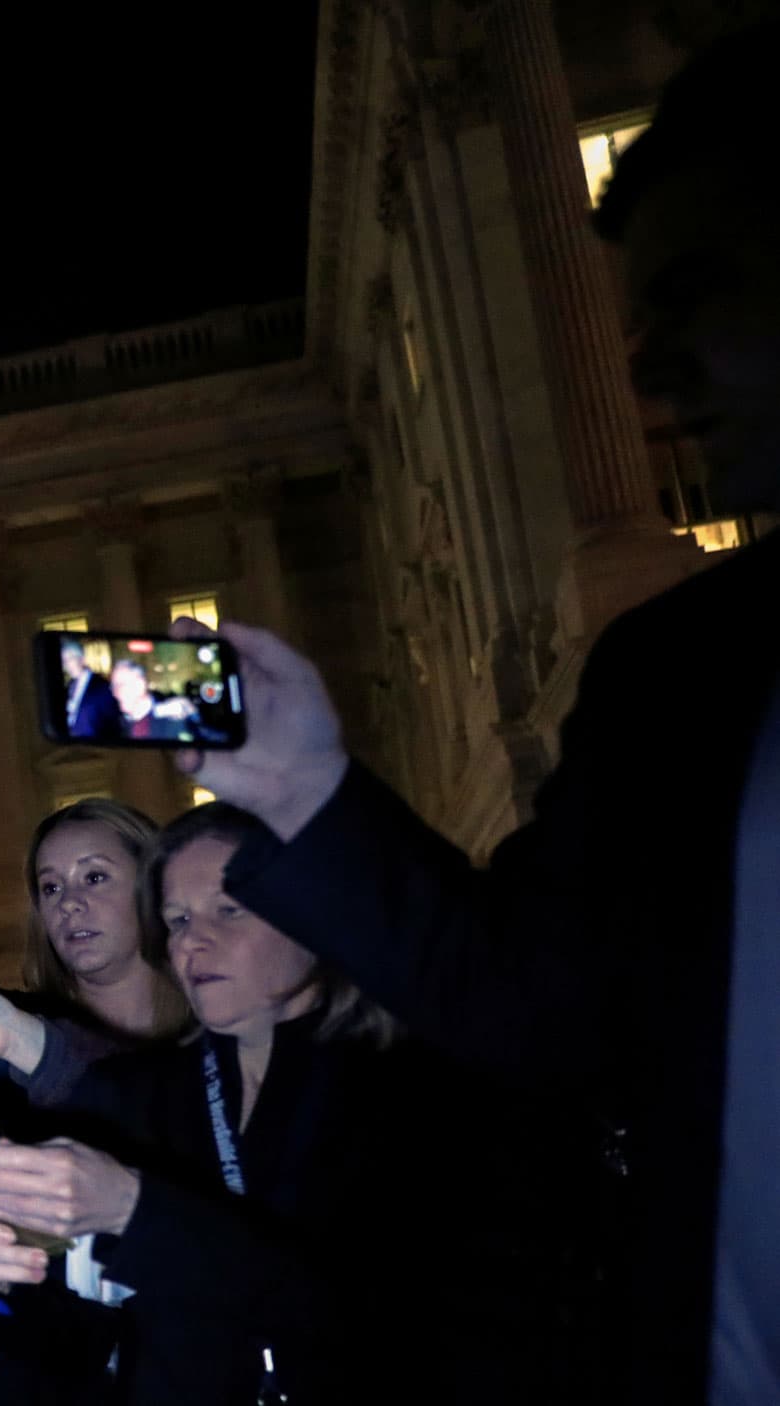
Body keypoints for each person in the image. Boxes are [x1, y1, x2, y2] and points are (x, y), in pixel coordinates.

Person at [167, 24, 777, 1403]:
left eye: (698, 296)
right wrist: (309, 792)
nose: (652, 378)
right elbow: (536, 1008)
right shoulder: (674, 673)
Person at [0, 804, 478, 1404]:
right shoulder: (158, 1095)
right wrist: (3, 1281)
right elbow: (82, 1343)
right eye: (176, 920)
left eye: (229, 910)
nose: (195, 940)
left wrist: (136, 1211)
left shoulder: (413, 1083)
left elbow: (371, 1314)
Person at [0, 799, 193, 1108]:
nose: (69, 902)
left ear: (153, 887)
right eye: (51, 888)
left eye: (94, 877)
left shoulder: (222, 1033)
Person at [58, 639, 119, 740]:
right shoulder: (68, 687)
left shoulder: (102, 686)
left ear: (81, 659)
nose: (67, 665)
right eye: (64, 661)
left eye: (70, 659)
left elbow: (112, 722)